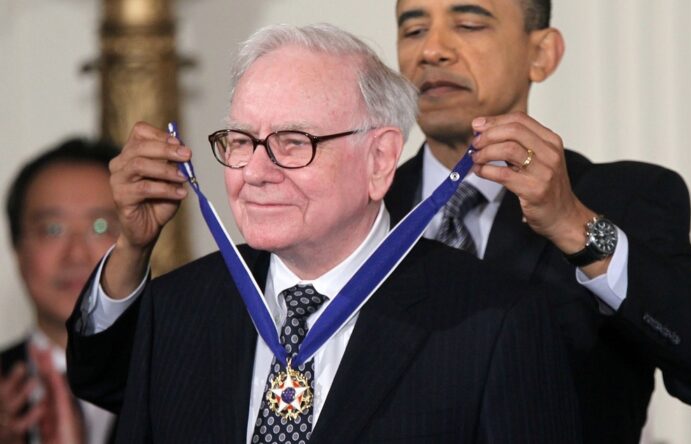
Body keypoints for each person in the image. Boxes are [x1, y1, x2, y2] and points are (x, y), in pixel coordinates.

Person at [66, 23, 581, 443]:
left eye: (293, 142)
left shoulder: (493, 322)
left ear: (380, 159)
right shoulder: (179, 307)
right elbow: (99, 381)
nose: (256, 171)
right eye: (242, 140)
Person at [385, 1, 691, 443]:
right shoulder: (361, 211)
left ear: (542, 54)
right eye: (413, 30)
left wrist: (572, 223)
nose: (432, 50)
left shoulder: (625, 196)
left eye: (469, 24)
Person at [0, 139, 120, 444]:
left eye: (100, 227)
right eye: (53, 229)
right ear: (17, 249)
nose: (77, 255)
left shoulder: (182, 378)